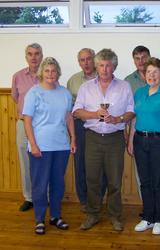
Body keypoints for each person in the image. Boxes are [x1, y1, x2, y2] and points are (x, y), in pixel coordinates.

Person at [73, 48, 135, 231]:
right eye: (101, 65)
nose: (105, 69)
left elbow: (131, 111)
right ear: (96, 66)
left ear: (113, 66)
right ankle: (92, 215)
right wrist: (94, 114)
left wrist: (119, 119)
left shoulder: (124, 86)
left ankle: (115, 216)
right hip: (92, 138)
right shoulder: (85, 88)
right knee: (92, 179)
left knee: (114, 181)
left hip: (115, 139)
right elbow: (76, 111)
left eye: (108, 65)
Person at [23, 57, 76, 235]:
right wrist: (33, 144)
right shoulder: (34, 93)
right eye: (47, 71)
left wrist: (73, 139)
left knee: (57, 184)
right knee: (40, 184)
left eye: (53, 71)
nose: (50, 74)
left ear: (58, 73)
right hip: (40, 147)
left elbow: (69, 118)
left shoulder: (65, 93)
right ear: (41, 73)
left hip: (61, 146)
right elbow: (27, 121)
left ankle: (55, 216)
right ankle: (39, 219)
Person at [127, 57, 160, 235]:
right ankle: (147, 218)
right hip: (140, 141)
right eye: (149, 72)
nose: (151, 75)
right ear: (145, 75)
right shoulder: (140, 93)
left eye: (155, 72)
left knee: (158, 182)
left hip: (159, 142)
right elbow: (135, 118)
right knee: (145, 182)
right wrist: (130, 140)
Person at [67, 48, 107, 212]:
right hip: (80, 126)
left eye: (89, 59)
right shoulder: (73, 81)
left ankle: (98, 197)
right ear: (79, 62)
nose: (86, 63)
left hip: (100, 125)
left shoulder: (103, 78)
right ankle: (84, 199)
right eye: (82, 60)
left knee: (102, 163)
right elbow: (69, 108)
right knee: (80, 163)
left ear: (95, 60)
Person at [11, 43, 43, 211]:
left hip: (43, 126)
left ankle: (45, 196)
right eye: (30, 54)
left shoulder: (47, 75)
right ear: (26, 57)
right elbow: (16, 98)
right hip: (23, 125)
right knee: (25, 162)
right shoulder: (17, 76)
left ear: (41, 56)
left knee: (44, 161)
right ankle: (29, 197)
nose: (33, 57)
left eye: (37, 54)